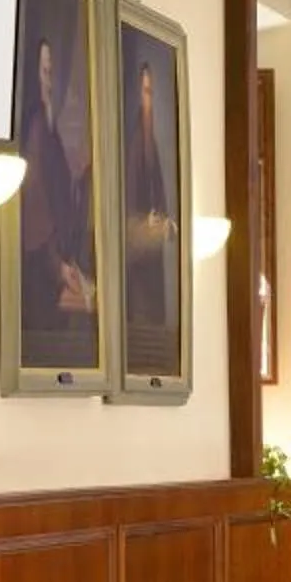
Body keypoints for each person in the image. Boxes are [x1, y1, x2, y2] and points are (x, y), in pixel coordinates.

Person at [17, 32, 97, 366]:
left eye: (53, 73)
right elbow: (37, 213)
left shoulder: (53, 134)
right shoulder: (37, 130)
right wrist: (57, 264)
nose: (49, 82)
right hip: (42, 279)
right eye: (44, 72)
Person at [120, 55, 179, 375]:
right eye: (143, 92)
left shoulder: (151, 145)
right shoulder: (129, 147)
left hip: (152, 259)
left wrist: (164, 221)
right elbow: (123, 212)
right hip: (136, 259)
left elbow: (160, 198)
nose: (148, 101)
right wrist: (143, 224)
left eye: (151, 93)